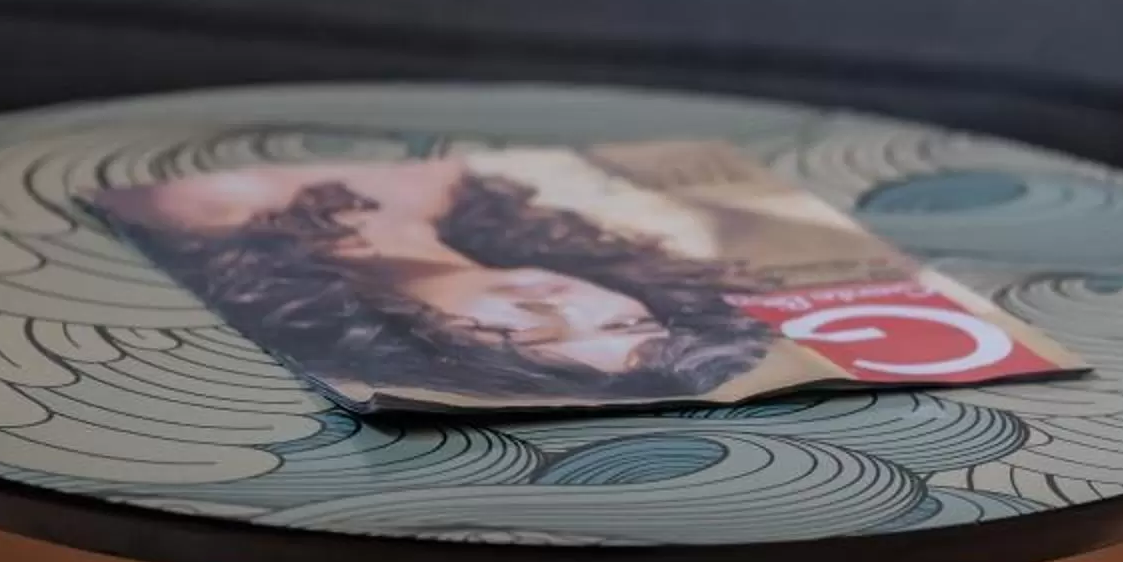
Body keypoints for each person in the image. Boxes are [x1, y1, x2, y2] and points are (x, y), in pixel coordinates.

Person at [114, 156, 777, 406]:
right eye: (624, 320)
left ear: (456, 350)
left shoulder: (219, 215)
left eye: (539, 334)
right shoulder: (459, 193)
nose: (560, 303)